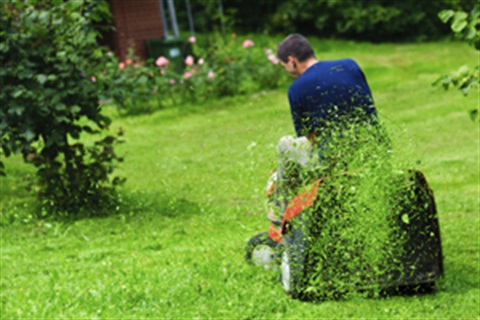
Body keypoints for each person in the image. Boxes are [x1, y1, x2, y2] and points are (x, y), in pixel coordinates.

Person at [276, 33, 378, 147]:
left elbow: (308, 138)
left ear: (291, 61)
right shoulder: (350, 65)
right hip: (374, 145)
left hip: (335, 157)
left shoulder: (296, 89)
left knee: (285, 144)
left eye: (284, 65)